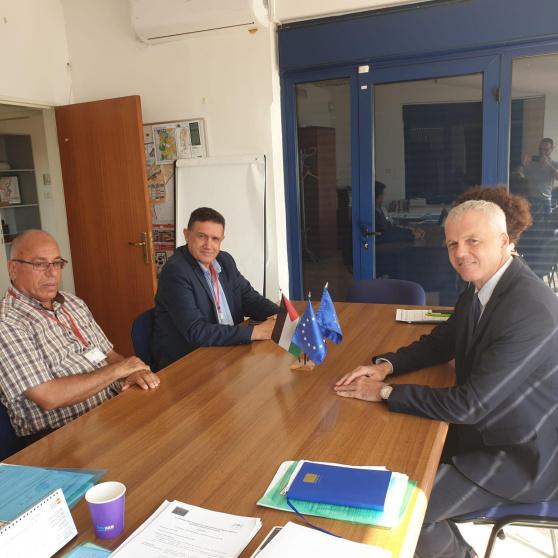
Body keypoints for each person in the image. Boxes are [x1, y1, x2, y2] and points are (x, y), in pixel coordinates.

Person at [335, 200, 558, 558]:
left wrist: (385, 391)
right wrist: (386, 366)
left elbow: (470, 405)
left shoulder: (529, 308)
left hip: (520, 458)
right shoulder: (484, 286)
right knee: (393, 455)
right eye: (453, 244)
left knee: (403, 511)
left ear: (504, 241)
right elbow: (443, 342)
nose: (461, 253)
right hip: (485, 433)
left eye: (473, 241)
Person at [0, 230, 159, 442]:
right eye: (40, 264)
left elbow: (109, 355)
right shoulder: (7, 321)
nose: (52, 273)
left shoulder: (72, 303)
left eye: (57, 263)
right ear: (13, 269)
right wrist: (119, 370)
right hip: (64, 437)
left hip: (112, 410)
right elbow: (48, 397)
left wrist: (132, 373)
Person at [151, 207, 279, 370]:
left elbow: (250, 299)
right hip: (189, 362)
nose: (208, 245)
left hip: (228, 350)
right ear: (186, 235)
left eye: (215, 239)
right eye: (201, 236)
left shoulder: (225, 261)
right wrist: (256, 332)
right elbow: (196, 331)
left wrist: (280, 316)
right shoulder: (175, 272)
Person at [523, 137, 558, 216]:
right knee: (533, 220)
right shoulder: (533, 162)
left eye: (546, 150)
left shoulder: (554, 164)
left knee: (547, 220)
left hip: (547, 198)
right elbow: (524, 176)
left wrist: (548, 165)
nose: (543, 152)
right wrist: (525, 165)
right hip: (533, 198)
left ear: (552, 149)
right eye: (541, 149)